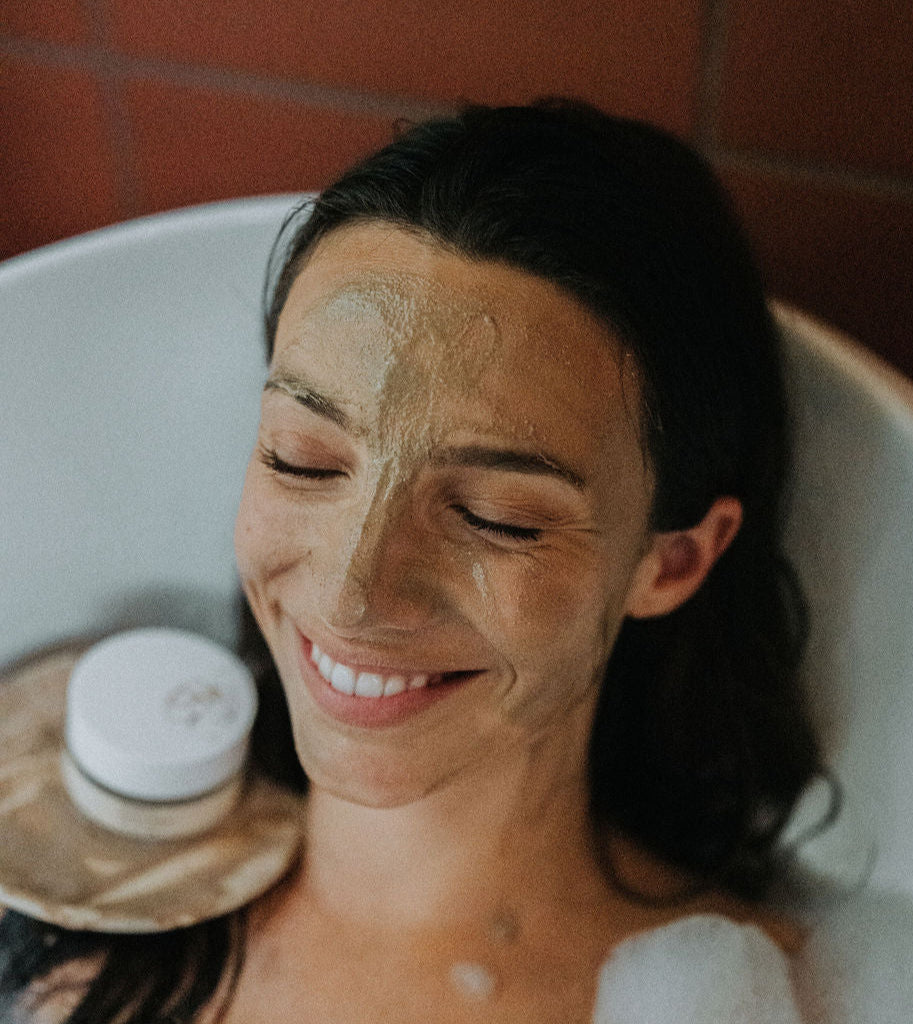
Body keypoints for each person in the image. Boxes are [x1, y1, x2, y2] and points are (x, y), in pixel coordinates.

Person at [1, 98, 822, 1023]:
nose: (354, 593)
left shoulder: (781, 1004)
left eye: (497, 516)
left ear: (671, 562)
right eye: (301, 458)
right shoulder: (48, 899)